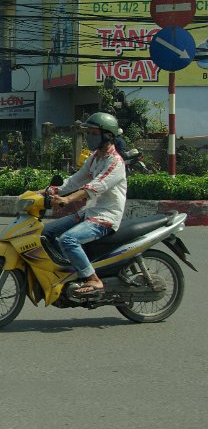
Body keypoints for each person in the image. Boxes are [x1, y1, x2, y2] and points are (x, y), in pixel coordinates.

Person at [42, 112, 127, 297]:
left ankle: (92, 279)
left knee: (68, 239)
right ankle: (70, 270)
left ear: (108, 135)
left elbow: (94, 187)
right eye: (88, 132)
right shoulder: (95, 157)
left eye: (93, 133)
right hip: (89, 212)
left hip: (105, 217)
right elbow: (75, 181)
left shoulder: (116, 162)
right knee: (46, 232)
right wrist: (47, 191)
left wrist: (67, 199)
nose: (89, 137)